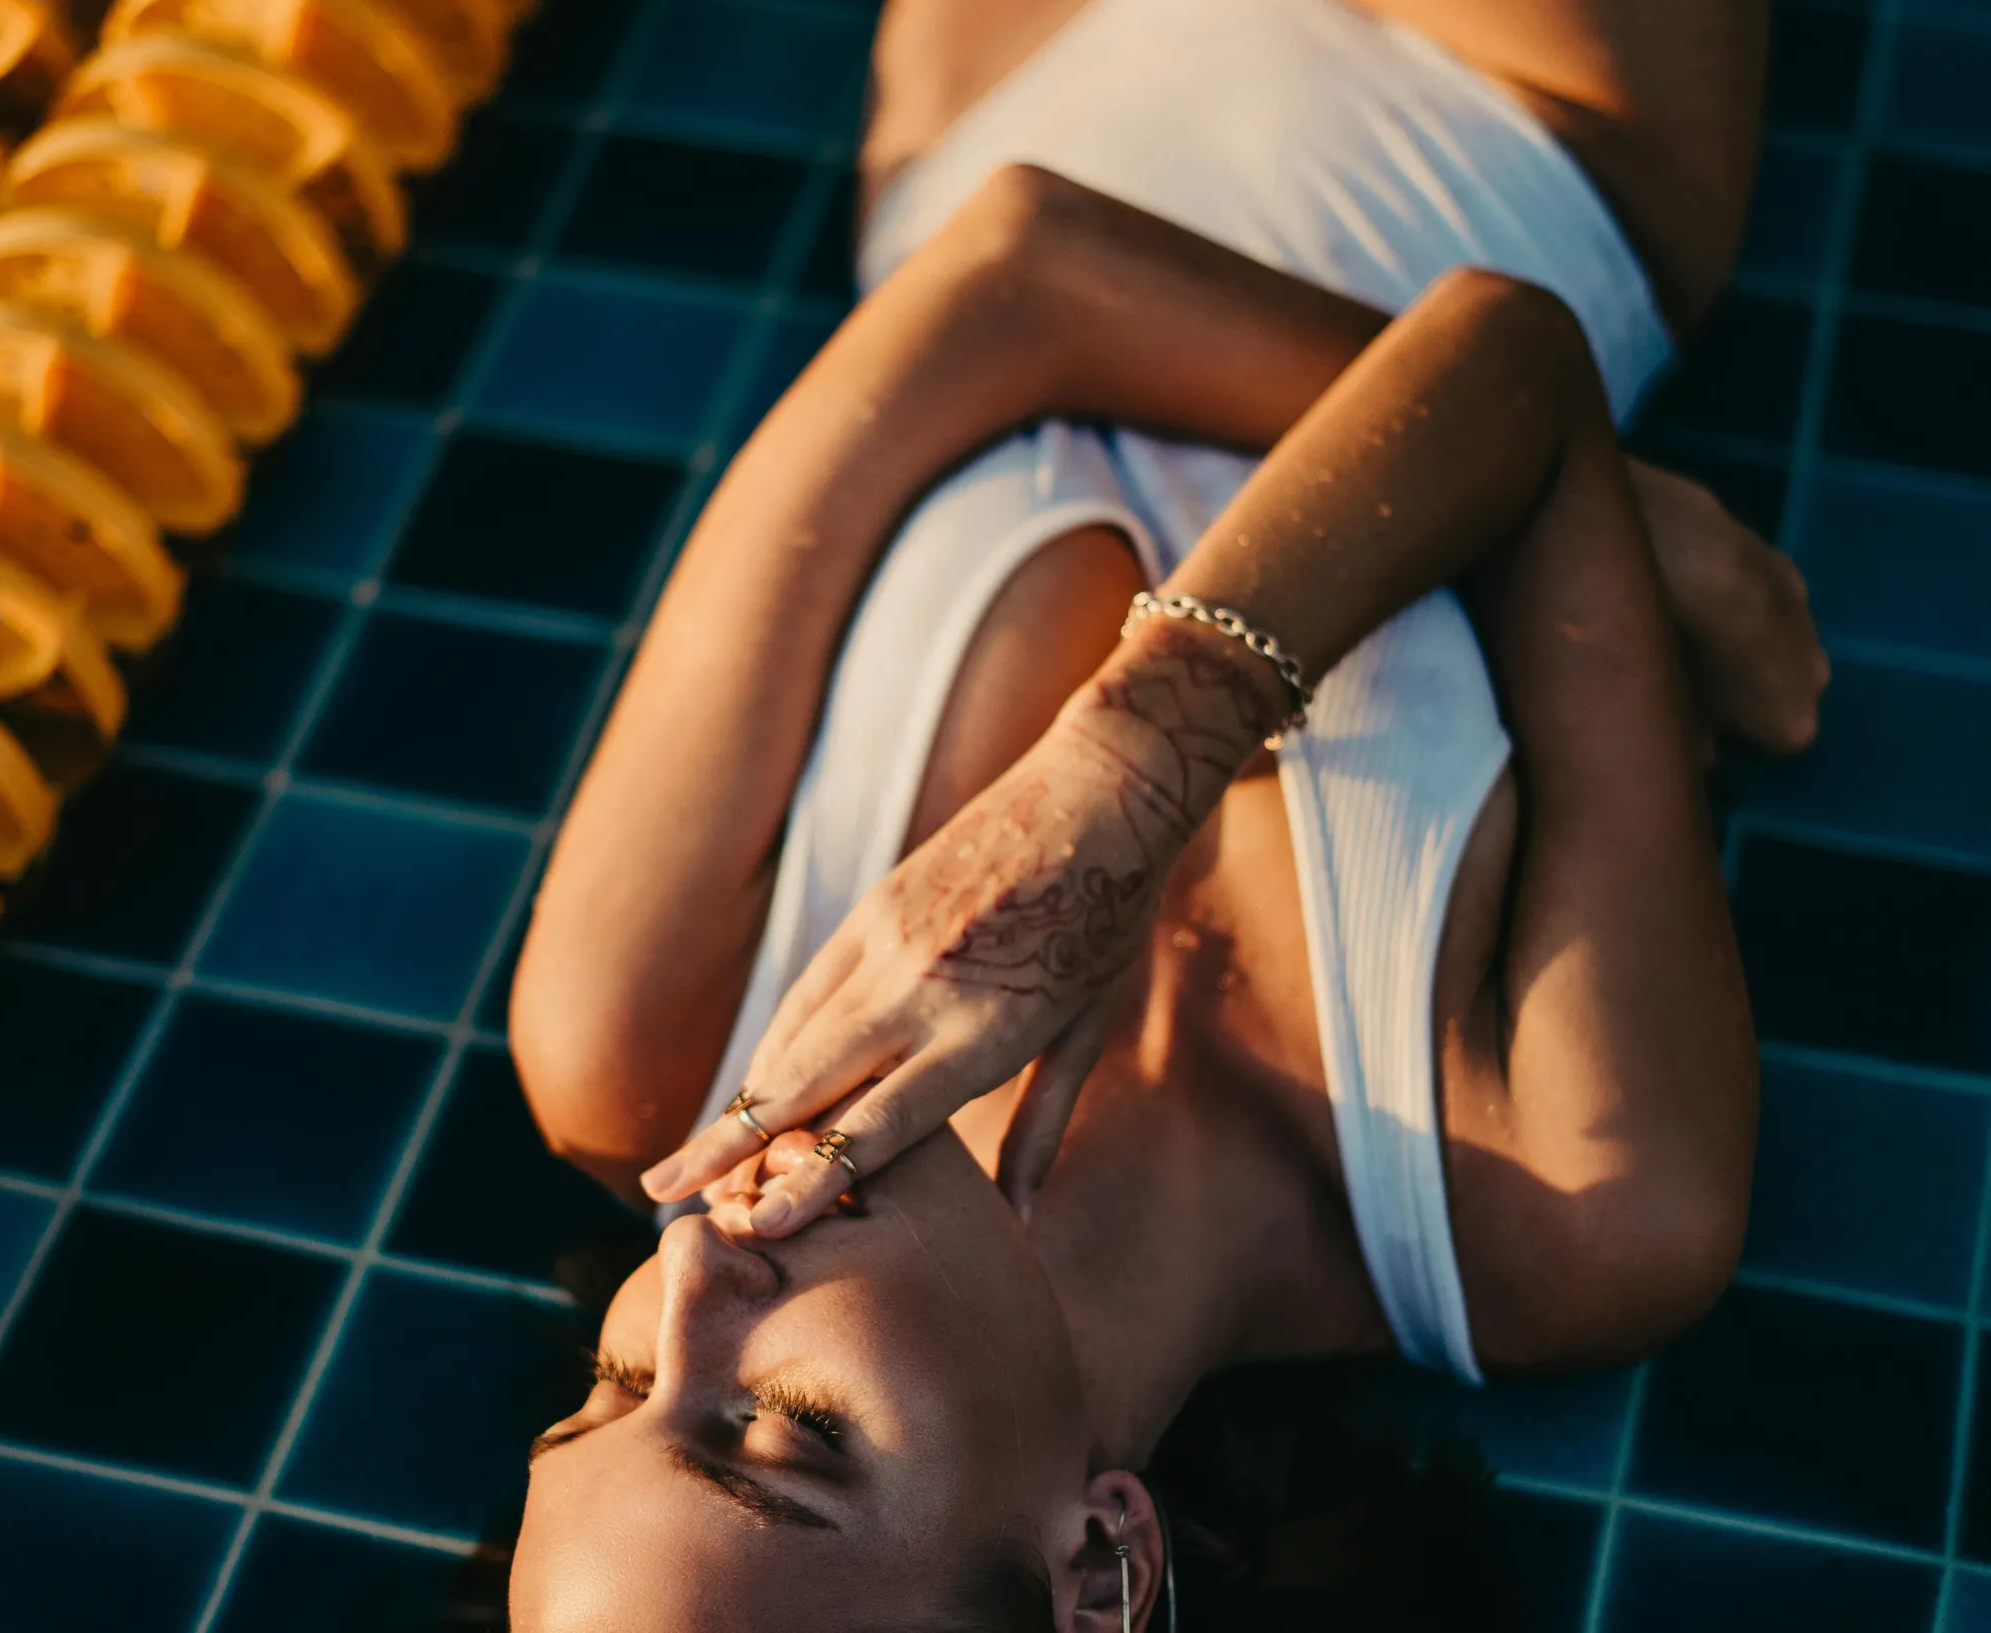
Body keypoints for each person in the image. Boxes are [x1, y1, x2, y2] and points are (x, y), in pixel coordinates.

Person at [504, 0, 1826, 1625]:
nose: (696, 1264)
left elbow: (1012, 258)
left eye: (613, 1381)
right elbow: (1514, 346)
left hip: (1005, 82)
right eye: (782, 1434)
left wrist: (1117, 785)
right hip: (1507, 93)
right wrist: (1534, 456)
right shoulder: (1570, 1200)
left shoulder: (637, 1039)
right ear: (1099, 1569)